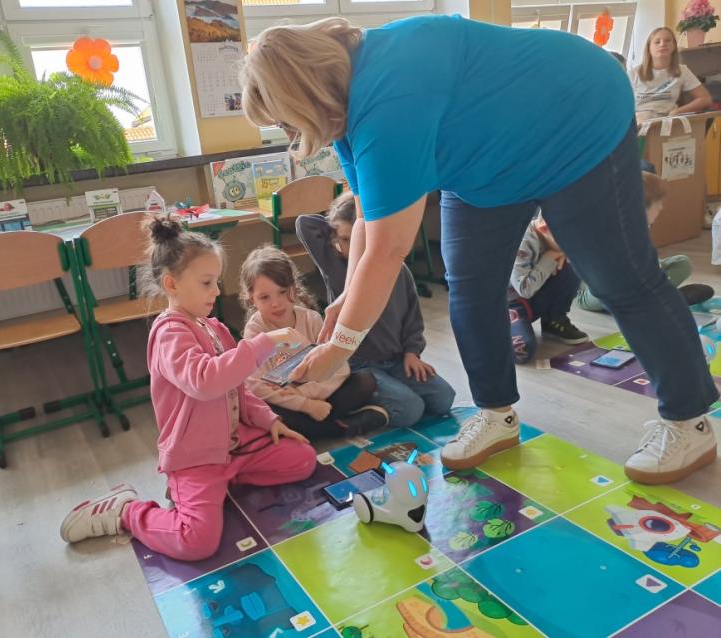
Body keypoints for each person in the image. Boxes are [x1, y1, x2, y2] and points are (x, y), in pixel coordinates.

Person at [240, 15, 718, 485]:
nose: (289, 132)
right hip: (489, 158)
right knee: (470, 286)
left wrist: (339, 346)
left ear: (304, 94)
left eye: (284, 119)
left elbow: (388, 250)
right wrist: (346, 300)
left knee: (621, 279)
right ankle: (496, 414)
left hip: (577, 118)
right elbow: (368, 216)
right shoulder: (346, 106)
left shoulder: (388, 98)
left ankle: (689, 421)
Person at [60, 216, 315, 560]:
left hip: (234, 447)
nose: (216, 291)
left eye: (216, 282)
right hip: (196, 458)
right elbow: (205, 381)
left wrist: (269, 420)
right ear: (172, 284)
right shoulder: (170, 333)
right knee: (196, 542)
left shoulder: (214, 327)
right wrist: (264, 343)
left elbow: (239, 389)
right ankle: (126, 512)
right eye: (207, 283)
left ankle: (224, 482)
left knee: (302, 460)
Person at [295, 192, 455, 426]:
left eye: (360, 240)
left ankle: (390, 391)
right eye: (345, 240)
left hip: (396, 360)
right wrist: (348, 210)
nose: (353, 248)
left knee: (444, 398)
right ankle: (362, 402)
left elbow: (412, 317)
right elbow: (304, 224)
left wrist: (412, 352)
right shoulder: (334, 265)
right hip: (359, 365)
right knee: (411, 409)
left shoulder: (396, 269)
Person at [241, 245, 388, 438]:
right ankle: (341, 428)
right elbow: (255, 385)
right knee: (265, 411)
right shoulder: (255, 330)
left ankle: (320, 426)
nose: (276, 303)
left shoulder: (311, 319)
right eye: (264, 297)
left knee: (365, 380)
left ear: (294, 287)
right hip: (288, 403)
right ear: (251, 299)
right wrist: (306, 405)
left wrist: (307, 396)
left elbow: (339, 367)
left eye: (282, 291)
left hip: (318, 394)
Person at [576, 171, 713, 312]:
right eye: (658, 203)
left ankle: (656, 298)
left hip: (632, 283)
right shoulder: (613, 230)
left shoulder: (641, 227)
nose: (661, 207)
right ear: (640, 207)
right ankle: (661, 299)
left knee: (682, 263)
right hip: (595, 291)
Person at [509, 216, 588, 364]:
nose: (570, 245)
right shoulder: (522, 242)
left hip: (532, 299)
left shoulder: (552, 236)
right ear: (544, 229)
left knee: (574, 263)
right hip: (511, 304)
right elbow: (524, 289)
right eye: (566, 241)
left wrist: (562, 254)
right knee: (522, 351)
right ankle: (492, 329)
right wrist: (550, 257)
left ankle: (553, 320)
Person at [630, 27, 712, 122]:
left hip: (668, 120)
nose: (662, 44)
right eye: (657, 42)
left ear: (673, 46)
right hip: (640, 121)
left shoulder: (682, 70)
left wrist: (678, 111)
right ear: (649, 48)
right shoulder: (633, 73)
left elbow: (705, 99)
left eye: (668, 41)